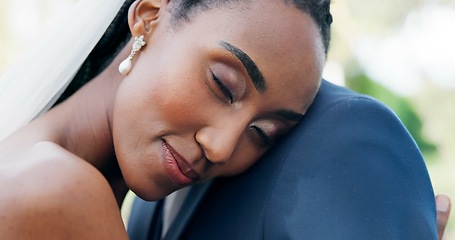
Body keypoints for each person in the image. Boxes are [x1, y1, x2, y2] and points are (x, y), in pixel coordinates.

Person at [0, 0, 441, 240]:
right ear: (149, 18)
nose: (222, 147)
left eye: (263, 133)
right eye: (224, 85)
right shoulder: (57, 190)